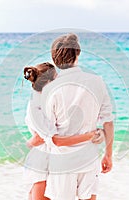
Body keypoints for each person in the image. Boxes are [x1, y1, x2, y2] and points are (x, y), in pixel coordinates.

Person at [42, 33, 114, 200]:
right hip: (89, 157)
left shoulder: (50, 88)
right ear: (78, 53)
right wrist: (108, 155)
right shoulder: (97, 81)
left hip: (62, 161)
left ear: (55, 58)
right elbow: (108, 122)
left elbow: (52, 138)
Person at [23, 62, 105, 200]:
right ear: (50, 81)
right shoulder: (42, 104)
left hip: (44, 155)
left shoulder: (41, 100)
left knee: (35, 194)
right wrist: (90, 135)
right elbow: (44, 139)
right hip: (44, 157)